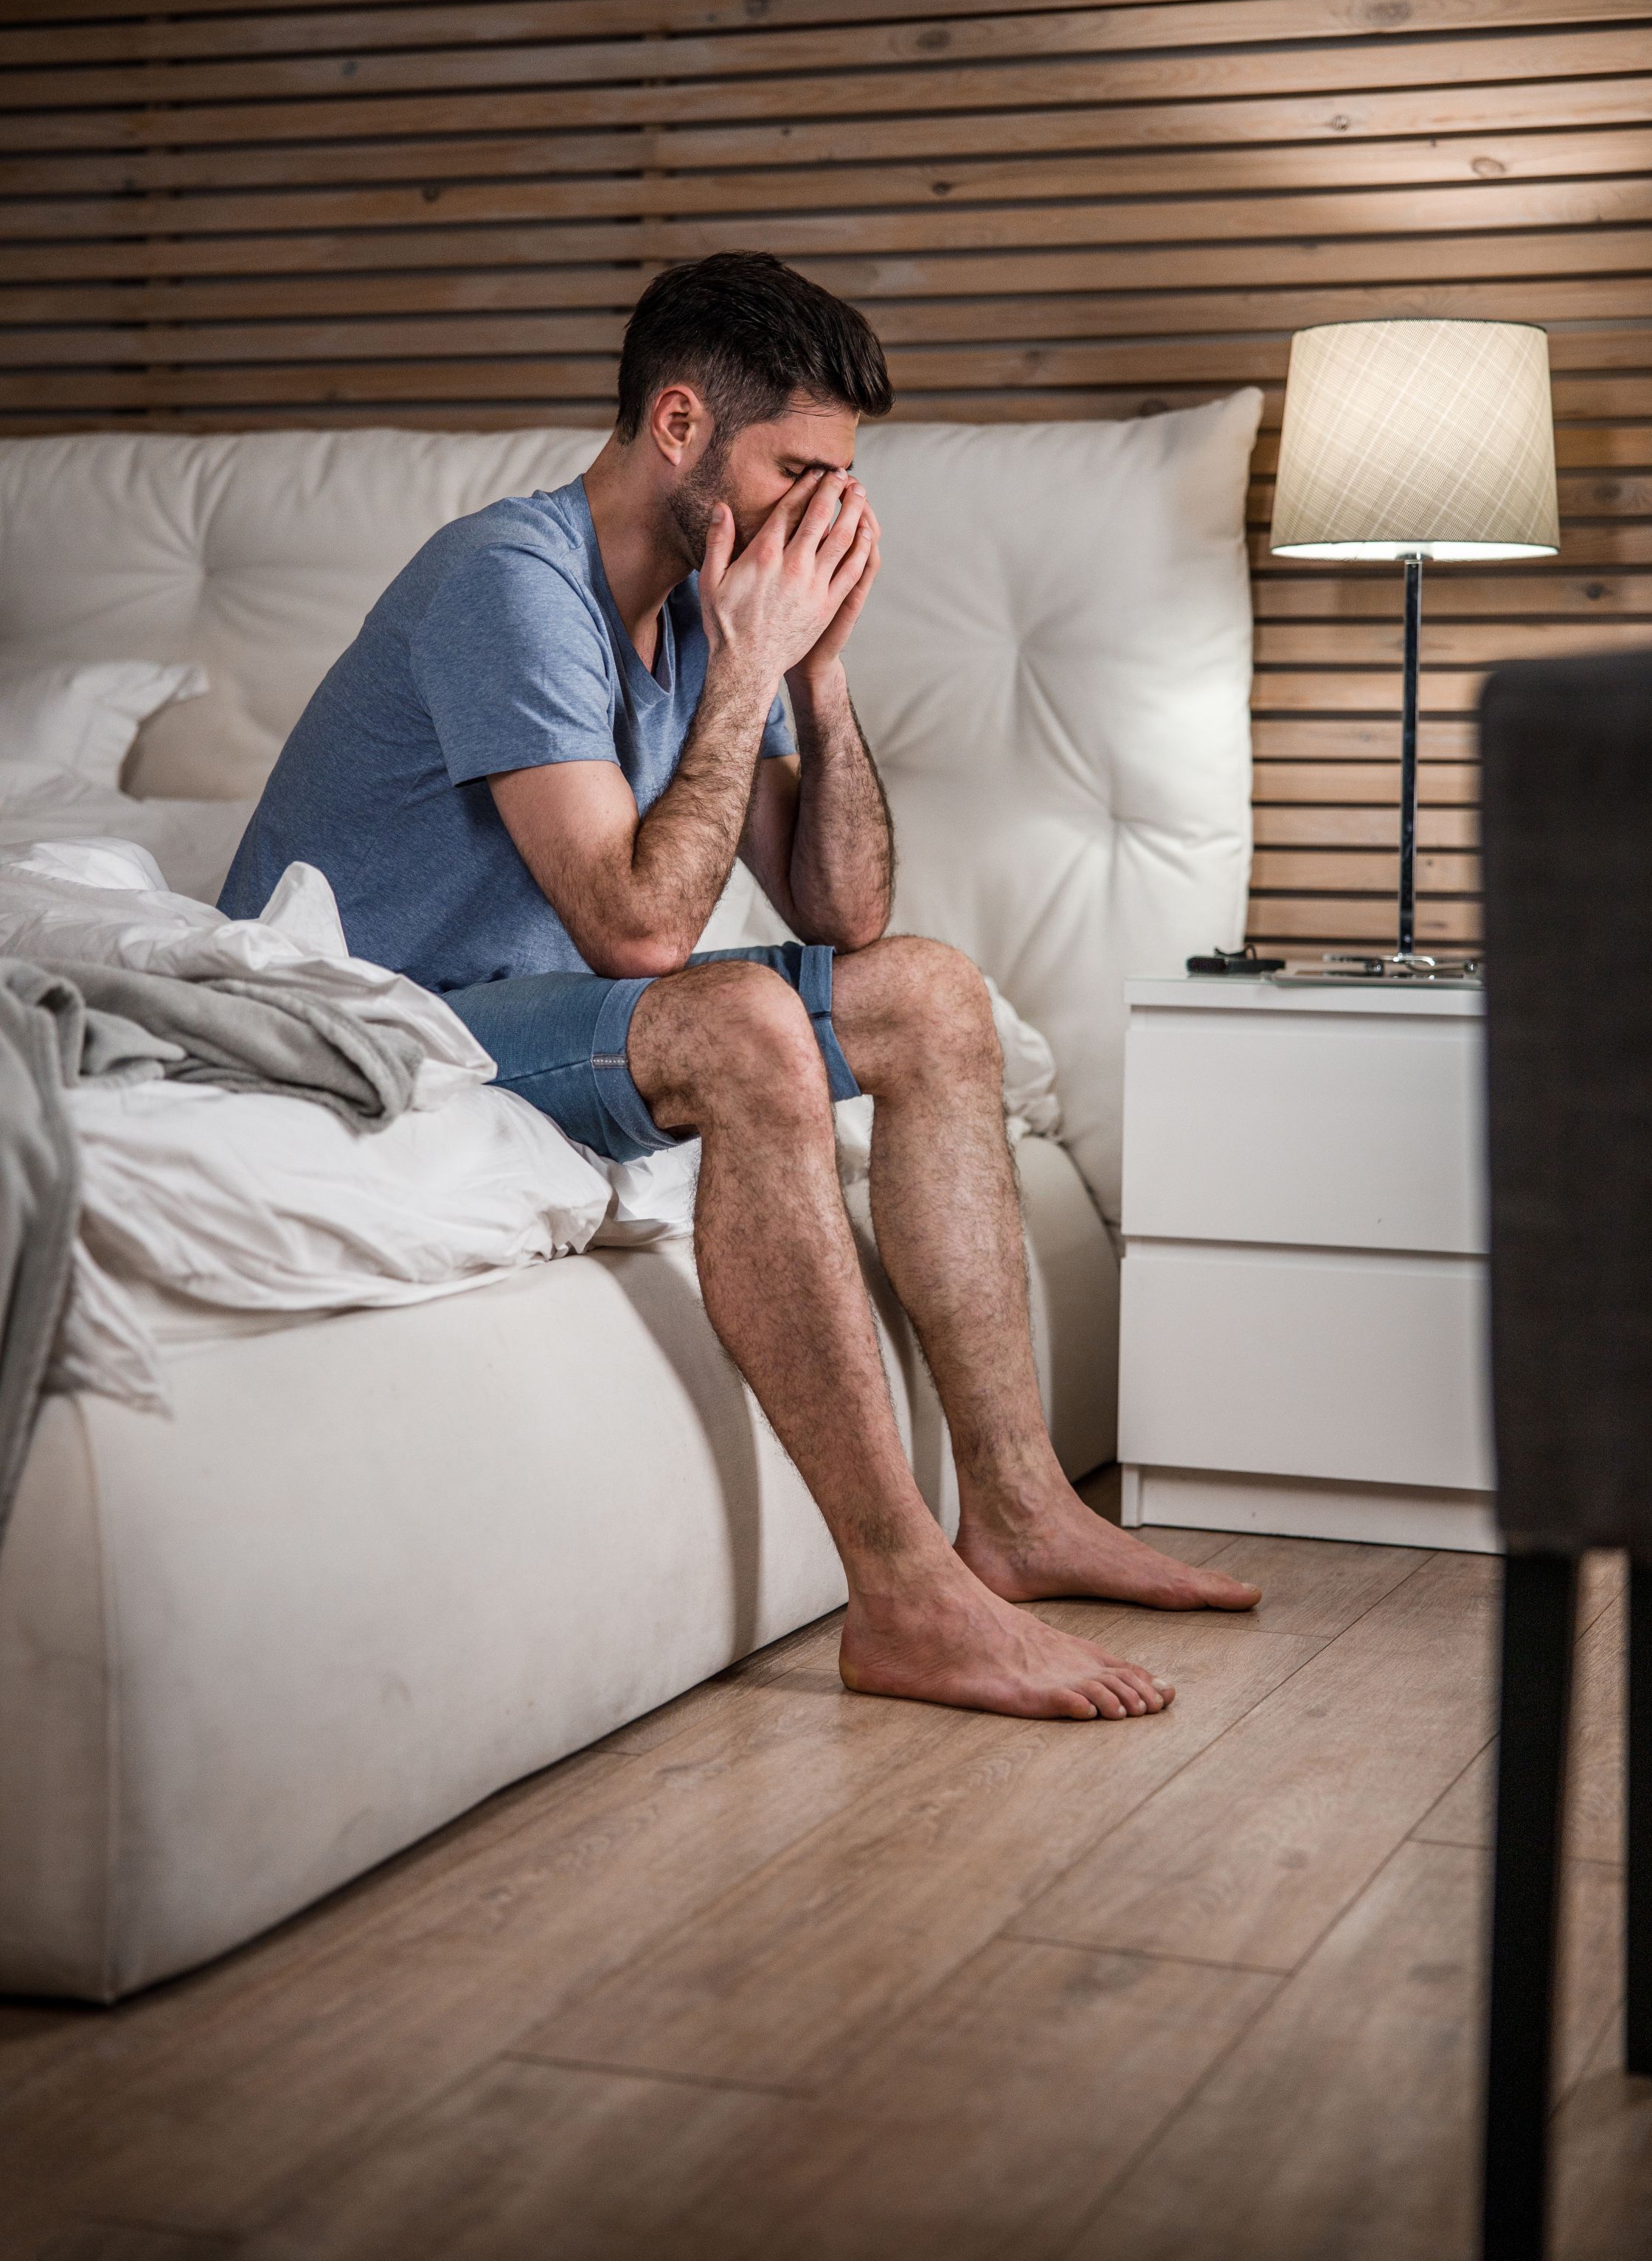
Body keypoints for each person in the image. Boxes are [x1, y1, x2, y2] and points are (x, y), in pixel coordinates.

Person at [221, 251, 1260, 1720]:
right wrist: (742, 674)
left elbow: (845, 910)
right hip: (377, 1025)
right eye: (798, 468)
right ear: (680, 428)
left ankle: (1018, 1512)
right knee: (743, 1020)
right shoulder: (506, 587)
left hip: (530, 1009)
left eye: (844, 474)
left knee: (932, 994)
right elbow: (640, 934)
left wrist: (815, 676)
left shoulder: (721, 602)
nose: (825, 509)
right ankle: (899, 1592)